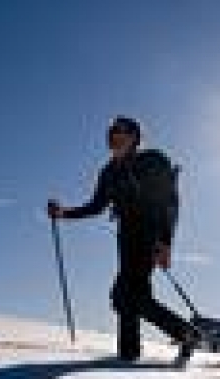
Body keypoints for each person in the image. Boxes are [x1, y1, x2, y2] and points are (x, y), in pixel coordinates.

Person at [48, 116, 198, 363]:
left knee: (125, 294)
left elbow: (169, 202)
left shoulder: (152, 160)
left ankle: (179, 335)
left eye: (122, 132)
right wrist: (64, 213)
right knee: (131, 296)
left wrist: (165, 242)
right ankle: (132, 353)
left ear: (135, 137)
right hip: (126, 238)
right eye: (112, 133)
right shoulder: (108, 172)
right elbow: (96, 206)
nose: (116, 137)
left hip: (150, 235)